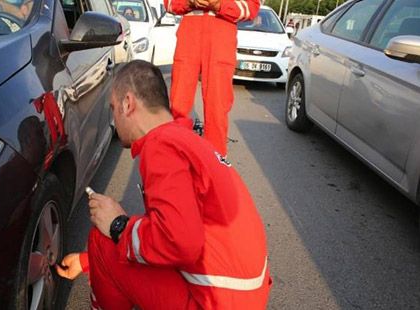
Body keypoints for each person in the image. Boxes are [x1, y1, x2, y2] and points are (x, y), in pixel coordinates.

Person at [57, 60, 271, 309]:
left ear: (128, 104)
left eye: (113, 108)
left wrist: (118, 226)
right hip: (237, 295)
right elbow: (177, 231)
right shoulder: (187, 140)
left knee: (101, 241)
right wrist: (87, 262)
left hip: (212, 301)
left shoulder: (161, 146)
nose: (113, 120)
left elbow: (180, 242)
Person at [165, 0, 261, 156]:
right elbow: (169, 3)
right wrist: (189, 2)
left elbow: (251, 7)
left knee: (217, 106)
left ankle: (215, 164)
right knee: (178, 103)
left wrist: (220, 4)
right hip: (189, 37)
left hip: (221, 37)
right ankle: (175, 159)